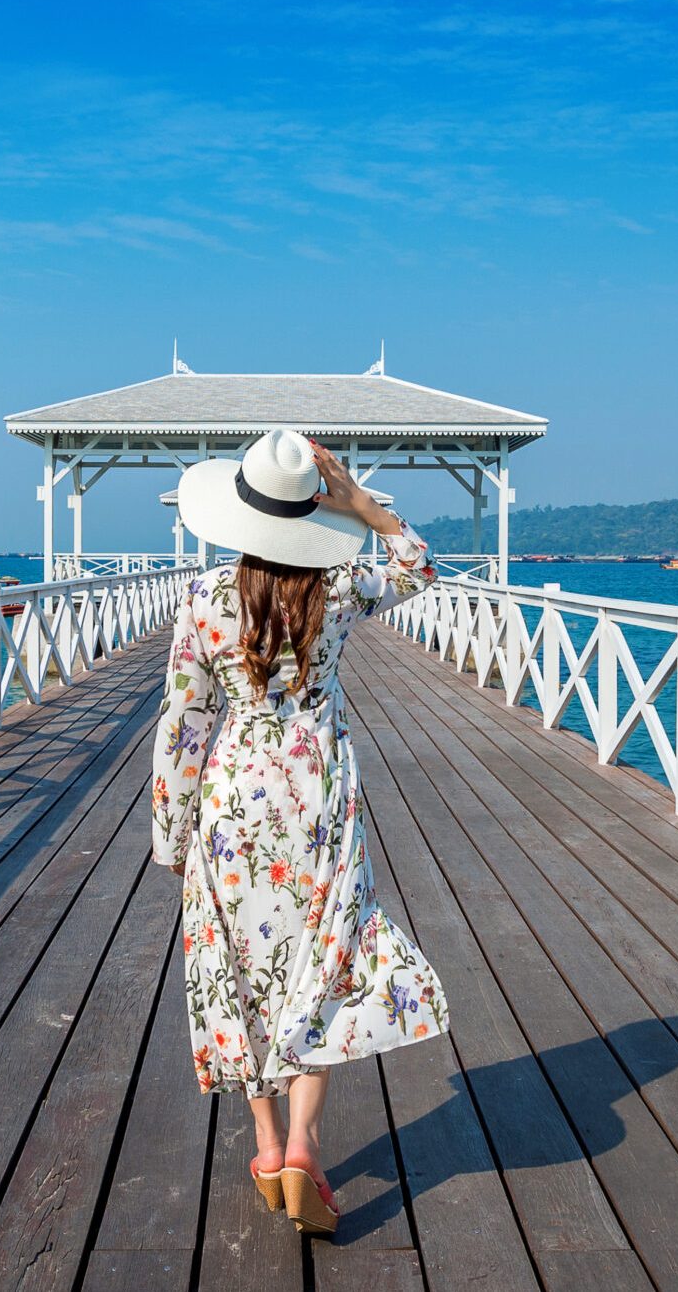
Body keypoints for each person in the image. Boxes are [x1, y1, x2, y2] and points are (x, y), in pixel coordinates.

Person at [150, 426, 450, 1237]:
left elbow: (183, 724)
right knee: (326, 954)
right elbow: (420, 569)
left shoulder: (208, 601)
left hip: (233, 803)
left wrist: (171, 838)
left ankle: (267, 1142)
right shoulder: (338, 588)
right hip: (319, 792)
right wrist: (369, 510)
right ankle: (308, 1144)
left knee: (241, 966)